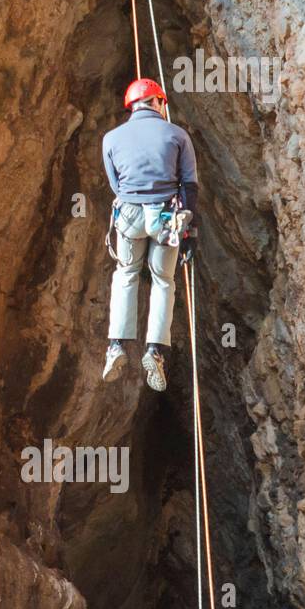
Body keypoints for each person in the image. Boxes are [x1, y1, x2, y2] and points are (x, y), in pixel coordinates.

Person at [101, 78, 198, 391]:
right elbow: (189, 185)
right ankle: (154, 350)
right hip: (165, 217)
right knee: (162, 281)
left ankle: (116, 346)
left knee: (126, 273)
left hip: (129, 215)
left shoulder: (111, 138)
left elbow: (116, 185)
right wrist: (190, 232)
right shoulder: (177, 134)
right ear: (159, 102)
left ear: (131, 106)